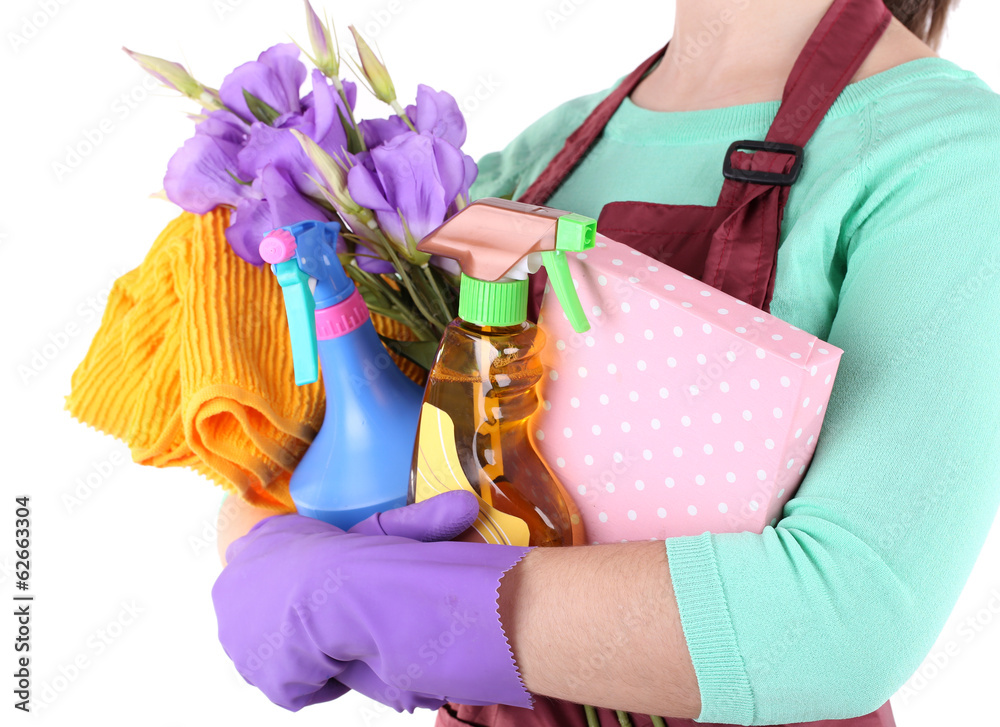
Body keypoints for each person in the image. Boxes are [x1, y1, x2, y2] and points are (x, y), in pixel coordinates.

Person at [212, 0, 1000, 725]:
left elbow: (839, 623)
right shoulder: (544, 152)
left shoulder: (953, 160)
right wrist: (273, 542)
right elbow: (302, 462)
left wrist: (390, 599)